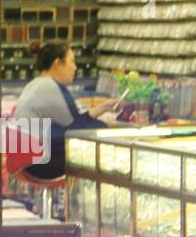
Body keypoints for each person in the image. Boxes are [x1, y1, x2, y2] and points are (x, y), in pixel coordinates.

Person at [11, 41, 117, 180]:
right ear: (58, 63)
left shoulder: (37, 84)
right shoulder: (49, 87)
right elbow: (74, 130)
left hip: (30, 160)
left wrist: (101, 108)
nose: (75, 67)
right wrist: (106, 127)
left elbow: (73, 123)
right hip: (42, 162)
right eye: (71, 62)